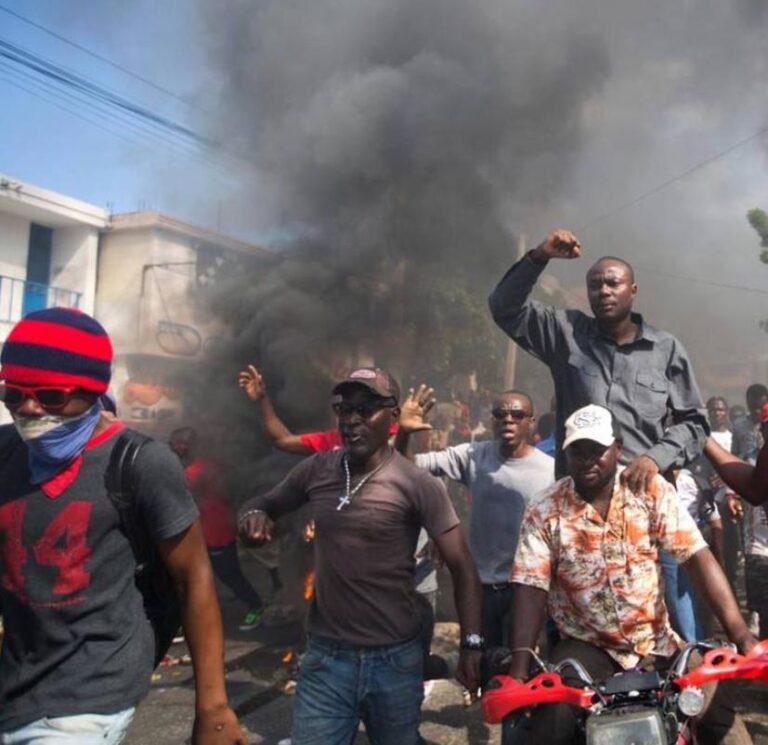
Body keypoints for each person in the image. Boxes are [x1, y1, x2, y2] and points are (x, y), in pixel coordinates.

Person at [0, 308, 244, 745]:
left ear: (92, 390)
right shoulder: (5, 450)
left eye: (51, 397)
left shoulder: (141, 463)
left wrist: (214, 710)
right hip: (16, 681)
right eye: (13, 394)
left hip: (90, 693)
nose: (29, 409)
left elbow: (193, 578)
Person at [239, 367, 483, 745]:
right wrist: (253, 516)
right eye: (344, 408)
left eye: (365, 409)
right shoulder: (317, 469)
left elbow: (463, 567)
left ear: (392, 415)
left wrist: (472, 644)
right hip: (326, 658)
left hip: (394, 659)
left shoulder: (416, 483)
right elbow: (265, 502)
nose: (352, 419)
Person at [507, 404, 756, 745]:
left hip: (656, 644)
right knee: (550, 722)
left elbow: (697, 557)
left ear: (617, 448)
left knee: (721, 719)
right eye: (578, 451)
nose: (588, 460)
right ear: (566, 454)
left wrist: (741, 634)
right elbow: (530, 586)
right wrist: (519, 669)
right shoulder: (544, 509)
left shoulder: (651, 491)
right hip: (585, 648)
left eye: (597, 450)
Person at [488, 229, 708, 491]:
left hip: (644, 495)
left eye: (613, 284)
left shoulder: (666, 349)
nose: (603, 291)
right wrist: (539, 256)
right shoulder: (565, 333)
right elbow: (504, 308)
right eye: (595, 285)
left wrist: (656, 458)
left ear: (633, 290)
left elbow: (695, 423)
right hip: (578, 498)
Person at [395, 386, 554, 648]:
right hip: (480, 590)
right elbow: (406, 467)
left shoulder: (550, 471)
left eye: (517, 415)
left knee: (517, 664)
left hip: (525, 590)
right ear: (492, 421)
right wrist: (404, 433)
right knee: (477, 658)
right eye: (500, 414)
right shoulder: (473, 456)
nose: (508, 420)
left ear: (531, 422)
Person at [169, 426, 268, 631]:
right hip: (202, 533)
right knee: (190, 577)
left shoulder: (196, 471)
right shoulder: (205, 464)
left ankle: (256, 605)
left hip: (216, 533)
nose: (174, 447)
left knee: (229, 575)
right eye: (173, 443)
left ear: (189, 446)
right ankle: (184, 621)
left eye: (179, 443)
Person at [732, 384, 768, 459]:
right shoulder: (738, 425)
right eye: (753, 407)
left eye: (760, 407)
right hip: (745, 464)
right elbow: (734, 453)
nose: (757, 411)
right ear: (747, 403)